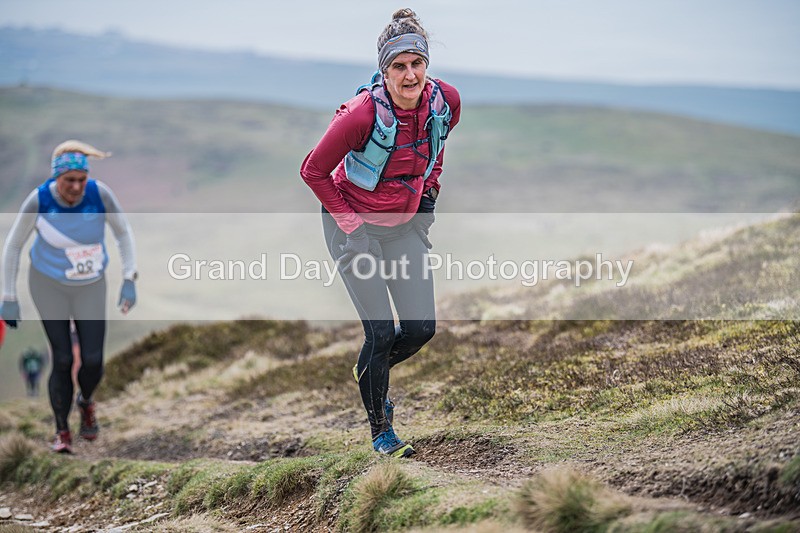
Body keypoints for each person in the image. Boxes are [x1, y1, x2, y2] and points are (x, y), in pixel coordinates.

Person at [300, 9, 461, 458]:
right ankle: (382, 432)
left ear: (427, 64)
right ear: (384, 71)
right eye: (399, 66)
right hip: (352, 228)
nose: (410, 75)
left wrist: (428, 200)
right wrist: (353, 229)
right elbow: (312, 171)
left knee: (421, 328)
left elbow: (436, 149)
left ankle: (370, 373)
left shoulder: (445, 102)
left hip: (402, 226)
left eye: (417, 63)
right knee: (382, 334)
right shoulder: (359, 116)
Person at [1, 140, 138, 453]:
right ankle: (62, 430)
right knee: (62, 358)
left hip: (90, 285)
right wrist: (9, 296)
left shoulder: (99, 194)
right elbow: (13, 245)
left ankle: (85, 401)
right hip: (48, 284)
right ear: (56, 178)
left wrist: (129, 278)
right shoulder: (39, 200)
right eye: (69, 181)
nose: (76, 187)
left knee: (93, 361)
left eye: (81, 180)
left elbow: (123, 232)